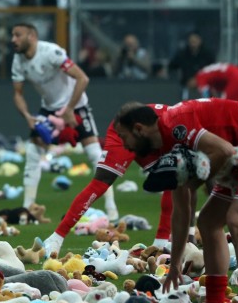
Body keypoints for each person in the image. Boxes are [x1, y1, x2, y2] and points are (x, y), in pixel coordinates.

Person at [114, 99, 238, 303]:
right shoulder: (166, 140)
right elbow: (182, 209)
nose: (124, 145)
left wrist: (194, 181)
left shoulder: (176, 127)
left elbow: (224, 150)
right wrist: (175, 263)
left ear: (138, 129)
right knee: (208, 222)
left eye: (123, 137)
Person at [10, 23, 117, 219]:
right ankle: (27, 208)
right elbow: (17, 93)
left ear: (32, 36)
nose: (13, 40)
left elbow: (82, 78)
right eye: (12, 36)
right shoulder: (18, 60)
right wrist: (27, 116)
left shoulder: (51, 52)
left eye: (18, 35)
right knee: (33, 153)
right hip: (49, 109)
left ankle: (112, 210)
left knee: (95, 155)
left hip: (75, 106)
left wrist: (69, 109)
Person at [43, 103, 175, 256]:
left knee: (173, 179)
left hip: (151, 133)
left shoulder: (179, 123)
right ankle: (56, 238)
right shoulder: (177, 122)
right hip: (128, 128)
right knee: (101, 182)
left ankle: (163, 243)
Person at [167, 32, 216, 98]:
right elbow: (172, 67)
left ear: (200, 40)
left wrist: (198, 80)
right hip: (186, 86)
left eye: (195, 41)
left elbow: (213, 70)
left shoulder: (208, 55)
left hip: (204, 87)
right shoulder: (182, 54)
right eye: (191, 41)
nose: (193, 43)